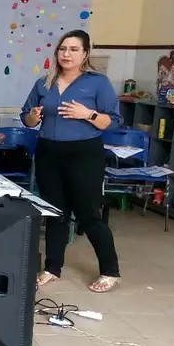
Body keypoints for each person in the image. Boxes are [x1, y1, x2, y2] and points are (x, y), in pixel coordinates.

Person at [21, 29, 121, 293]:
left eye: (74, 49)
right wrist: (32, 116)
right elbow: (26, 119)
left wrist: (87, 114)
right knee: (56, 212)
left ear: (85, 54)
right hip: (48, 152)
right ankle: (52, 268)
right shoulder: (44, 83)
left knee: (88, 214)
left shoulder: (98, 82)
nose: (66, 54)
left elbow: (113, 121)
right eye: (63, 49)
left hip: (84, 153)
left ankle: (110, 270)